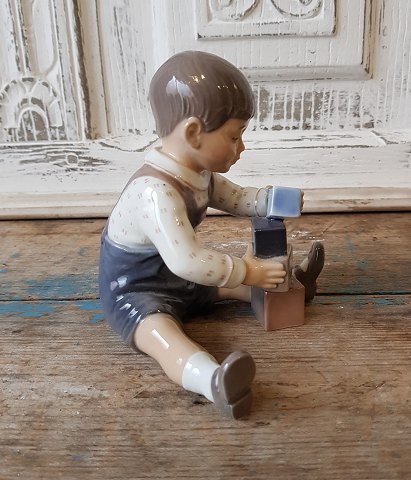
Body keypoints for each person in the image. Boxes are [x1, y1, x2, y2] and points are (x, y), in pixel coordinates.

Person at [99, 51, 324, 419]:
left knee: (232, 287)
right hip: (134, 291)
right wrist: (247, 270)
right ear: (193, 133)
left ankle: (291, 287)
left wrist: (270, 200)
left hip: (178, 280)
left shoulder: (198, 174)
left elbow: (235, 198)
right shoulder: (155, 192)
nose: (241, 148)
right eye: (234, 136)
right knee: (162, 335)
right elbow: (187, 260)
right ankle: (213, 380)